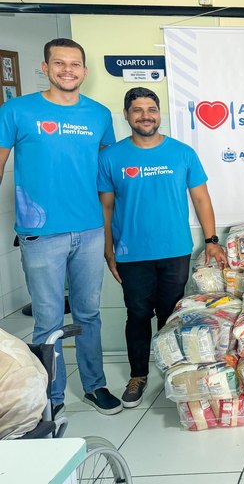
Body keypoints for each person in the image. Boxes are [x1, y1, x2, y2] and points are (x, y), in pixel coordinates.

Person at [0, 38, 122, 416]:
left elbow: (107, 176)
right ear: (46, 67)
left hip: (89, 230)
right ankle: (50, 398)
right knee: (48, 320)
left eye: (74, 64)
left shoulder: (99, 115)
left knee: (88, 314)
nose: (67, 70)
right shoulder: (17, 110)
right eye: (59, 63)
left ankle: (94, 385)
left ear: (84, 71)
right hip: (41, 235)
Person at [98, 87, 227, 407]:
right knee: (138, 313)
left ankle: (174, 372)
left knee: (172, 314)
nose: (145, 115)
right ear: (126, 115)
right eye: (137, 110)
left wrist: (212, 241)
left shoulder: (182, 153)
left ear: (159, 113)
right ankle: (138, 375)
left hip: (174, 249)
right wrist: (108, 248)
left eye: (151, 109)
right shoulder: (110, 157)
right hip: (132, 252)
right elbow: (106, 208)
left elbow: (201, 198)